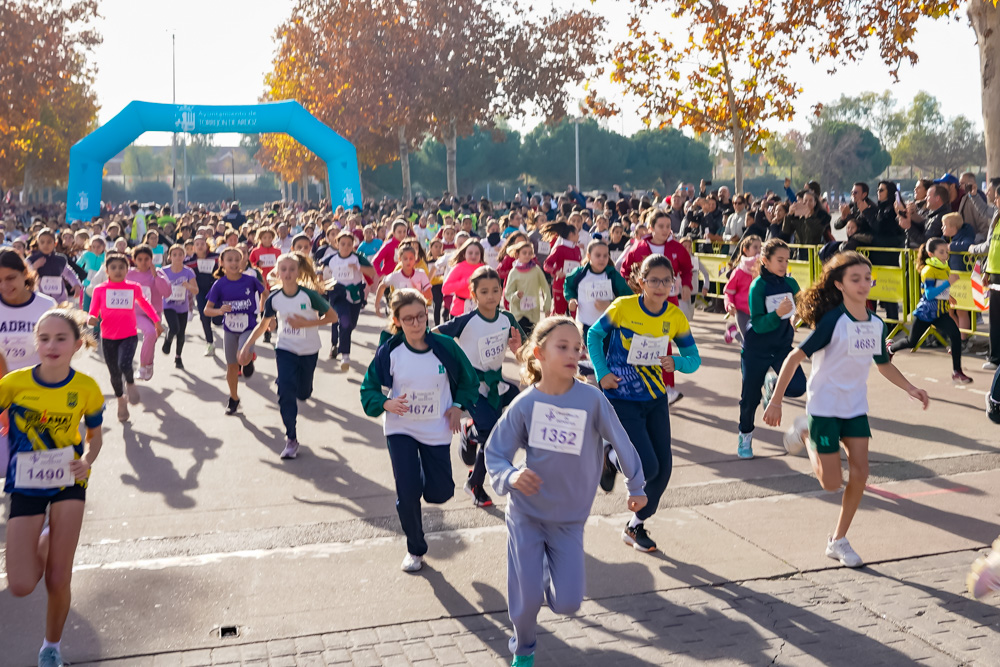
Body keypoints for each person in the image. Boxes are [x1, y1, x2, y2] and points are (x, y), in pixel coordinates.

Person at [485, 317, 646, 667]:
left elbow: (621, 439)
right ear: (539, 353)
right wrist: (511, 476)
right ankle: (524, 648)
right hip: (526, 514)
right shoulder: (525, 404)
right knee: (527, 600)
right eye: (563, 347)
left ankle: (542, 572)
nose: (573, 354)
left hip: (569, 519)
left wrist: (636, 485)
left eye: (577, 348)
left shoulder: (591, 400)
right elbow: (495, 453)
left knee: (569, 603)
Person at [764, 251, 929, 568]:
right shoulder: (833, 320)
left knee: (861, 473)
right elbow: (794, 358)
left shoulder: (877, 324)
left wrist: (910, 387)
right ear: (838, 284)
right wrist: (775, 401)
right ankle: (805, 430)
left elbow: (883, 365)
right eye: (856, 279)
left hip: (854, 406)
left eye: (868, 278)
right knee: (830, 483)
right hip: (825, 405)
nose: (864, 284)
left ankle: (838, 540)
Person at [2, 309, 105, 667]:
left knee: (58, 576)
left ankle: (51, 647)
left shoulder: (87, 388)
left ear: (77, 344)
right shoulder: (13, 384)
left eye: (61, 338)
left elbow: (95, 438)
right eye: (44, 338)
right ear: (36, 344)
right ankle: (46, 538)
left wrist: (87, 461)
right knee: (20, 584)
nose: (51, 345)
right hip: (25, 485)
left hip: (68, 481)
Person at [587, 254, 701, 552]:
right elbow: (594, 335)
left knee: (663, 470)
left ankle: (635, 526)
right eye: (654, 280)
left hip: (655, 398)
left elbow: (693, 359)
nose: (661, 286)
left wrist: (676, 362)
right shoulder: (623, 307)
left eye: (667, 280)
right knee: (647, 468)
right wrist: (603, 374)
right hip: (622, 397)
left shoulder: (674, 316)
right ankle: (609, 456)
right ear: (641, 281)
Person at [359, 289, 478, 572]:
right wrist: (386, 403)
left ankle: (420, 473)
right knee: (407, 491)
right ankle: (415, 548)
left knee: (439, 493)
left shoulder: (446, 346)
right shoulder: (390, 350)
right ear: (397, 321)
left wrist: (458, 406)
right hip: (401, 428)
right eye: (408, 318)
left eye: (421, 316)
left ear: (427, 314)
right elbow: (368, 390)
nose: (416, 323)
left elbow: (469, 381)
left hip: (437, 427)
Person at [436, 266, 525, 508]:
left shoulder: (507, 319)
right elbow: (434, 336)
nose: (491, 296)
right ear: (473, 294)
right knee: (492, 434)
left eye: (496, 290)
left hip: (497, 384)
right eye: (484, 291)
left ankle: (469, 433)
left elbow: (525, 347)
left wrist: (519, 350)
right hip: (471, 386)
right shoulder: (466, 321)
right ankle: (475, 484)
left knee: (518, 408)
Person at [239, 253, 336, 459]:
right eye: (283, 269)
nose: (288, 273)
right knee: (285, 391)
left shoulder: (309, 296)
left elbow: (332, 316)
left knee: (303, 392)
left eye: (292, 269)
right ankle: (291, 438)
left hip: (309, 350)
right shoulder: (274, 297)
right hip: (285, 348)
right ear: (277, 272)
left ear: (299, 272)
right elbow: (264, 324)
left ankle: (303, 392)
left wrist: (306, 324)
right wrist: (248, 345)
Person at [734, 238, 807, 458]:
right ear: (765, 261)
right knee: (750, 398)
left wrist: (797, 315)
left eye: (787, 260)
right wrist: (776, 314)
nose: (784, 264)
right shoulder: (758, 286)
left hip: (782, 346)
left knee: (797, 387)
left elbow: (803, 304)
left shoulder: (791, 284)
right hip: (757, 348)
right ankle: (745, 437)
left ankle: (774, 382)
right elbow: (756, 323)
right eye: (779, 260)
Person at [88, 252, 162, 422]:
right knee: (114, 373)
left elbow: (144, 303)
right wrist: (90, 319)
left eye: (122, 267)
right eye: (113, 267)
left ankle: (130, 382)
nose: (118, 270)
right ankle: (121, 400)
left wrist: (156, 321)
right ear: (107, 271)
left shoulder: (133, 287)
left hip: (128, 334)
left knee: (124, 364)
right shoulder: (100, 290)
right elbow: (92, 312)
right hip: (108, 337)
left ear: (127, 270)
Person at [886, 238, 972, 383]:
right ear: (931, 254)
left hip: (940, 313)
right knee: (912, 342)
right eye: (941, 252)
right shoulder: (928, 270)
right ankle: (890, 348)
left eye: (946, 252)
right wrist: (948, 283)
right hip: (925, 313)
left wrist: (949, 296)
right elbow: (929, 294)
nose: (946, 255)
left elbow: (940, 290)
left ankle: (957, 371)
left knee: (955, 334)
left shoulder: (944, 267)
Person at [204, 247, 266, 415]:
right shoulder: (219, 284)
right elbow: (207, 310)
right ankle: (233, 398)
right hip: (230, 329)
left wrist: (263, 308)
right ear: (222, 263)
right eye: (229, 260)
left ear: (243, 262)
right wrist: (219, 311)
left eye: (237, 259)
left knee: (243, 356)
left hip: (248, 326)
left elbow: (265, 293)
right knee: (231, 367)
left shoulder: (250, 280)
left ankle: (248, 359)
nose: (234, 263)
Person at [319, 230, 375, 369]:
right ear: (337, 244)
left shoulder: (357, 258)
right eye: (343, 244)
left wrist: (358, 267)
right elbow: (321, 271)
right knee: (343, 322)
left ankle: (342, 342)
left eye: (349, 244)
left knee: (351, 324)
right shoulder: (331, 259)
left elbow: (372, 273)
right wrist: (321, 281)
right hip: (338, 295)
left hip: (354, 295)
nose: (346, 247)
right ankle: (345, 355)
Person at [564, 239, 632, 339]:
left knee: (604, 353)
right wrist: (571, 299)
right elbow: (568, 286)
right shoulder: (579, 274)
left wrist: (611, 304)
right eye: (598, 255)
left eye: (605, 256)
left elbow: (627, 296)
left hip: (608, 326)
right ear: (588, 256)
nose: (602, 259)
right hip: (585, 325)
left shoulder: (612, 274)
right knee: (591, 354)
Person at [126, 244, 171, 381]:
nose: (143, 262)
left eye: (147, 259)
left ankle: (149, 365)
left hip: (154, 314)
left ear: (152, 259)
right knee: (150, 333)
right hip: (136, 313)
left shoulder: (158, 273)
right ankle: (143, 366)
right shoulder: (129, 273)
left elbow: (167, 292)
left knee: (151, 339)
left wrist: (155, 276)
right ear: (134, 260)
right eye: (140, 259)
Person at [160, 244, 198, 370]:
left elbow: (196, 290)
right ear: (170, 257)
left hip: (183, 307)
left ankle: (178, 357)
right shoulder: (164, 271)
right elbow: (157, 286)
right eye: (174, 255)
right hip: (168, 305)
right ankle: (168, 339)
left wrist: (188, 286)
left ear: (184, 256)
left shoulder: (188, 272)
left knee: (181, 334)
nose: (177, 257)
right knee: (174, 328)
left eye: (180, 254)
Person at [503, 241, 552, 336]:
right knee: (521, 342)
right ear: (517, 255)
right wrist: (516, 296)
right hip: (518, 313)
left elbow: (545, 288)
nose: (527, 255)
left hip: (533, 313)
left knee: (531, 341)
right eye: (524, 253)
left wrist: (547, 305)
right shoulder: (514, 272)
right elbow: (508, 293)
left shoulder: (536, 270)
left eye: (530, 253)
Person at [185, 235, 221, 356]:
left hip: (216, 292)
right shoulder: (190, 262)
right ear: (194, 248)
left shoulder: (215, 257)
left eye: (202, 243)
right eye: (197, 244)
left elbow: (224, 267)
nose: (200, 246)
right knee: (204, 317)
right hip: (200, 293)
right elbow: (179, 268)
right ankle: (210, 343)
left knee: (217, 320)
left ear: (207, 245)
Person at [723, 235, 761, 345]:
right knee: (748, 343)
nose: (758, 251)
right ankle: (734, 333)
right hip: (742, 311)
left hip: (758, 312)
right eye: (755, 247)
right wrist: (729, 304)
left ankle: (733, 332)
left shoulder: (763, 269)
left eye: (760, 247)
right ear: (746, 250)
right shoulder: (739, 271)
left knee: (757, 342)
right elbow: (728, 291)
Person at [374, 244, 432, 315]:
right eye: (405, 258)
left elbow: (429, 296)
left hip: (417, 312)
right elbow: (382, 286)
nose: (408, 261)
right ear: (399, 259)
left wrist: (418, 292)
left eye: (411, 258)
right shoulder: (395, 276)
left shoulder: (421, 274)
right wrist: (377, 304)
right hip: (400, 312)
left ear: (415, 258)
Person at [28, 229, 81, 303]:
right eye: (42, 242)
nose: (45, 245)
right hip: (40, 299)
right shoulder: (31, 259)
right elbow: (23, 274)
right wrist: (33, 267)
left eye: (49, 242)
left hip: (59, 299)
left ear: (55, 243)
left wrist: (76, 284)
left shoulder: (60, 260)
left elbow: (68, 273)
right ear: (38, 243)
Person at [540, 222, 582, 316]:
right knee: (559, 314)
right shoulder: (559, 249)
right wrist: (556, 272)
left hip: (574, 286)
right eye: (577, 233)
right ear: (571, 234)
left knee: (575, 313)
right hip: (560, 285)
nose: (579, 235)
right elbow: (547, 264)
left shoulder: (577, 249)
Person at [442, 239, 486, 318]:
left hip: (480, 310)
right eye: (470, 253)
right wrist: (466, 282)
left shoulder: (484, 268)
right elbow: (445, 289)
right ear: (464, 253)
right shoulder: (459, 267)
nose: (473, 256)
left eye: (477, 253)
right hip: (459, 312)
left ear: (481, 255)